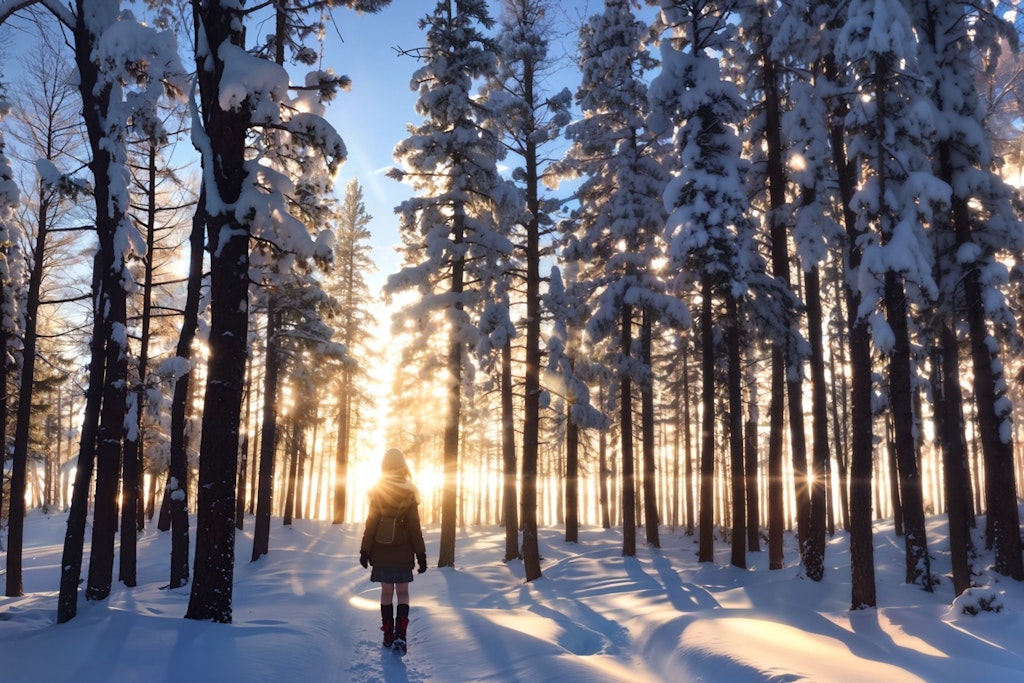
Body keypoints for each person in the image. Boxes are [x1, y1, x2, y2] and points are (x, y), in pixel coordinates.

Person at [359, 448, 428, 651]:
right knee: (403, 592)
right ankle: (401, 634)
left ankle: (388, 634)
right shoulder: (409, 492)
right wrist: (421, 554)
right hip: (404, 550)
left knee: (386, 592)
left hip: (381, 550)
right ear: (402, 466)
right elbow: (415, 528)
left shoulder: (377, 491)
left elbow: (371, 524)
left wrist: (365, 551)